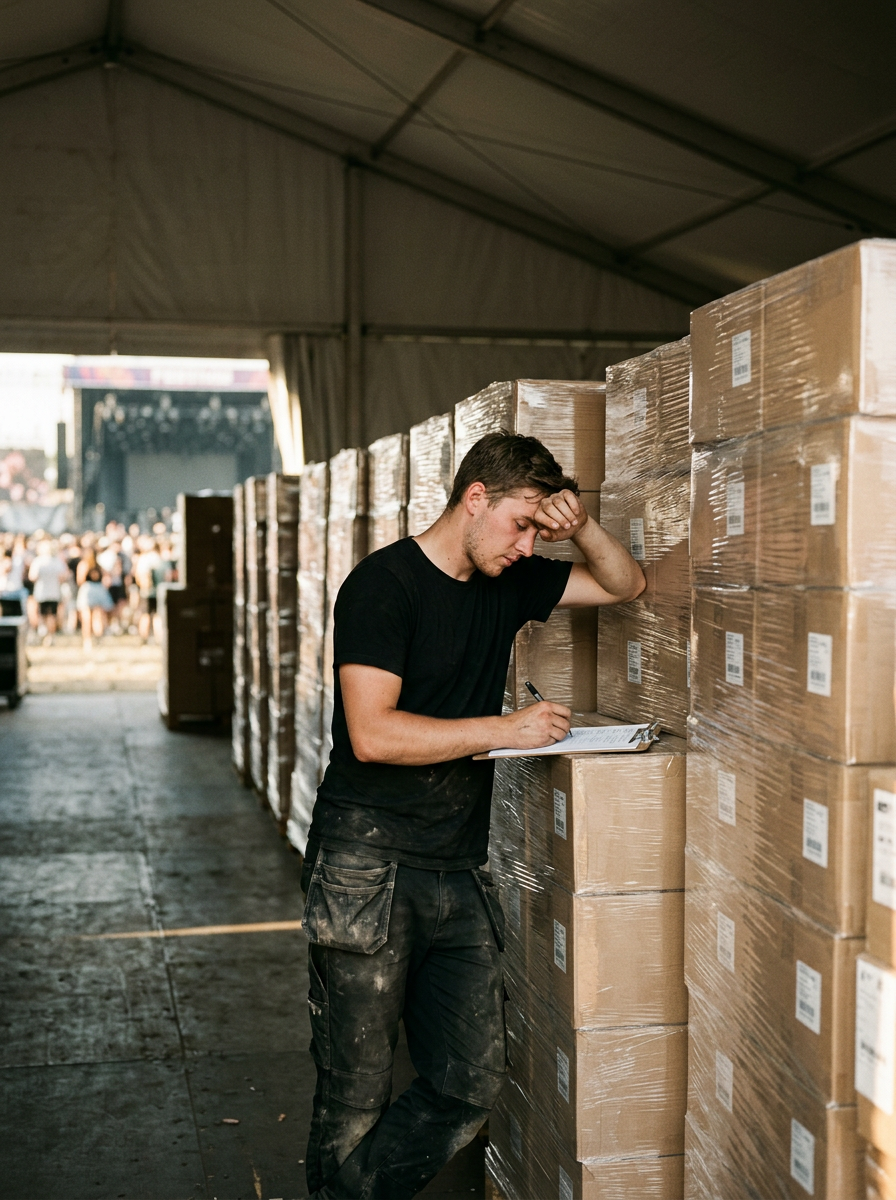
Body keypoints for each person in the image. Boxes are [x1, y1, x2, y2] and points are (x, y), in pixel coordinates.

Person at [300, 432, 645, 1200]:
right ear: (475, 498)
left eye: (538, 531)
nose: (527, 547)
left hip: (455, 864)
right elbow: (372, 733)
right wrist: (505, 729)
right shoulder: (384, 586)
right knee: (355, 1092)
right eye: (521, 524)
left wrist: (580, 526)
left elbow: (624, 586)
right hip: (365, 864)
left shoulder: (505, 580)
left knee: (470, 1081)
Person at [28, 539, 68, 644]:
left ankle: (44, 632)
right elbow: (63, 576)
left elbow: (32, 577)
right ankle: (50, 636)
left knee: (43, 614)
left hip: (41, 592)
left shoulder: (38, 561)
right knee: (52, 615)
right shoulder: (57, 561)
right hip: (54, 592)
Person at [76, 563, 114, 650]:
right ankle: (88, 640)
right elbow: (80, 580)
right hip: (89, 591)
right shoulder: (86, 566)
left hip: (96, 591)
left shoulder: (98, 566)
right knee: (88, 619)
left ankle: (96, 639)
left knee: (96, 618)